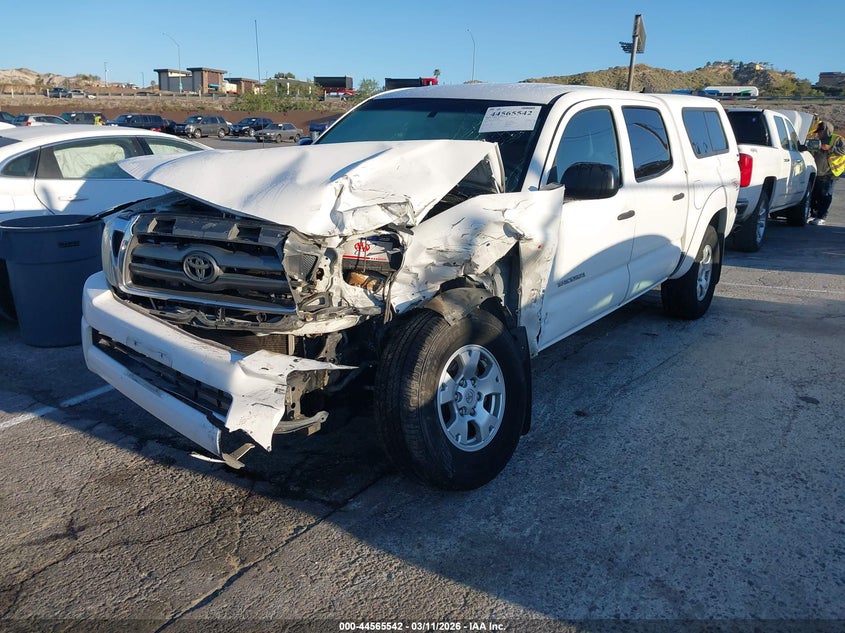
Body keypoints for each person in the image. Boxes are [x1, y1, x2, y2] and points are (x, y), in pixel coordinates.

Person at [808, 120, 845, 225]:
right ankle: (813, 215)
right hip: (818, 172)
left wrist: (830, 148)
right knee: (815, 194)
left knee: (825, 195)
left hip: (831, 172)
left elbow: (843, 150)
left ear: (826, 130)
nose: (818, 133)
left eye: (820, 131)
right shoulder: (816, 140)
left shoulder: (837, 139)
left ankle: (822, 216)